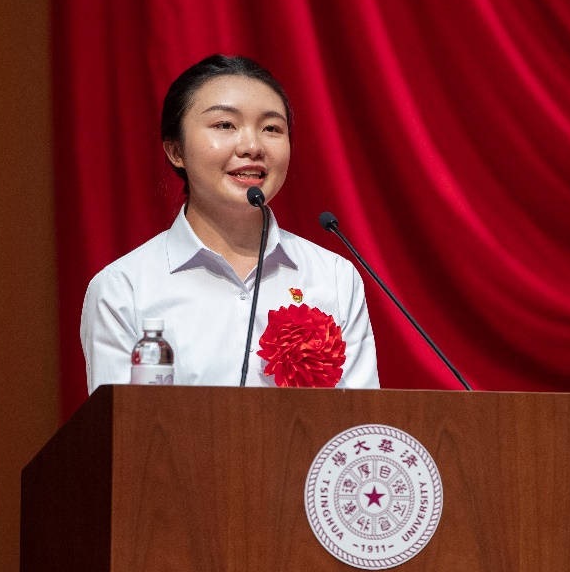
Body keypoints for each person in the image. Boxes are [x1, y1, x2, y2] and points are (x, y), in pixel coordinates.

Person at [80, 54, 380, 393]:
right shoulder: (124, 290)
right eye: (225, 125)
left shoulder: (334, 277)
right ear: (176, 150)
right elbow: (122, 425)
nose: (252, 147)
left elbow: (360, 418)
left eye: (271, 128)